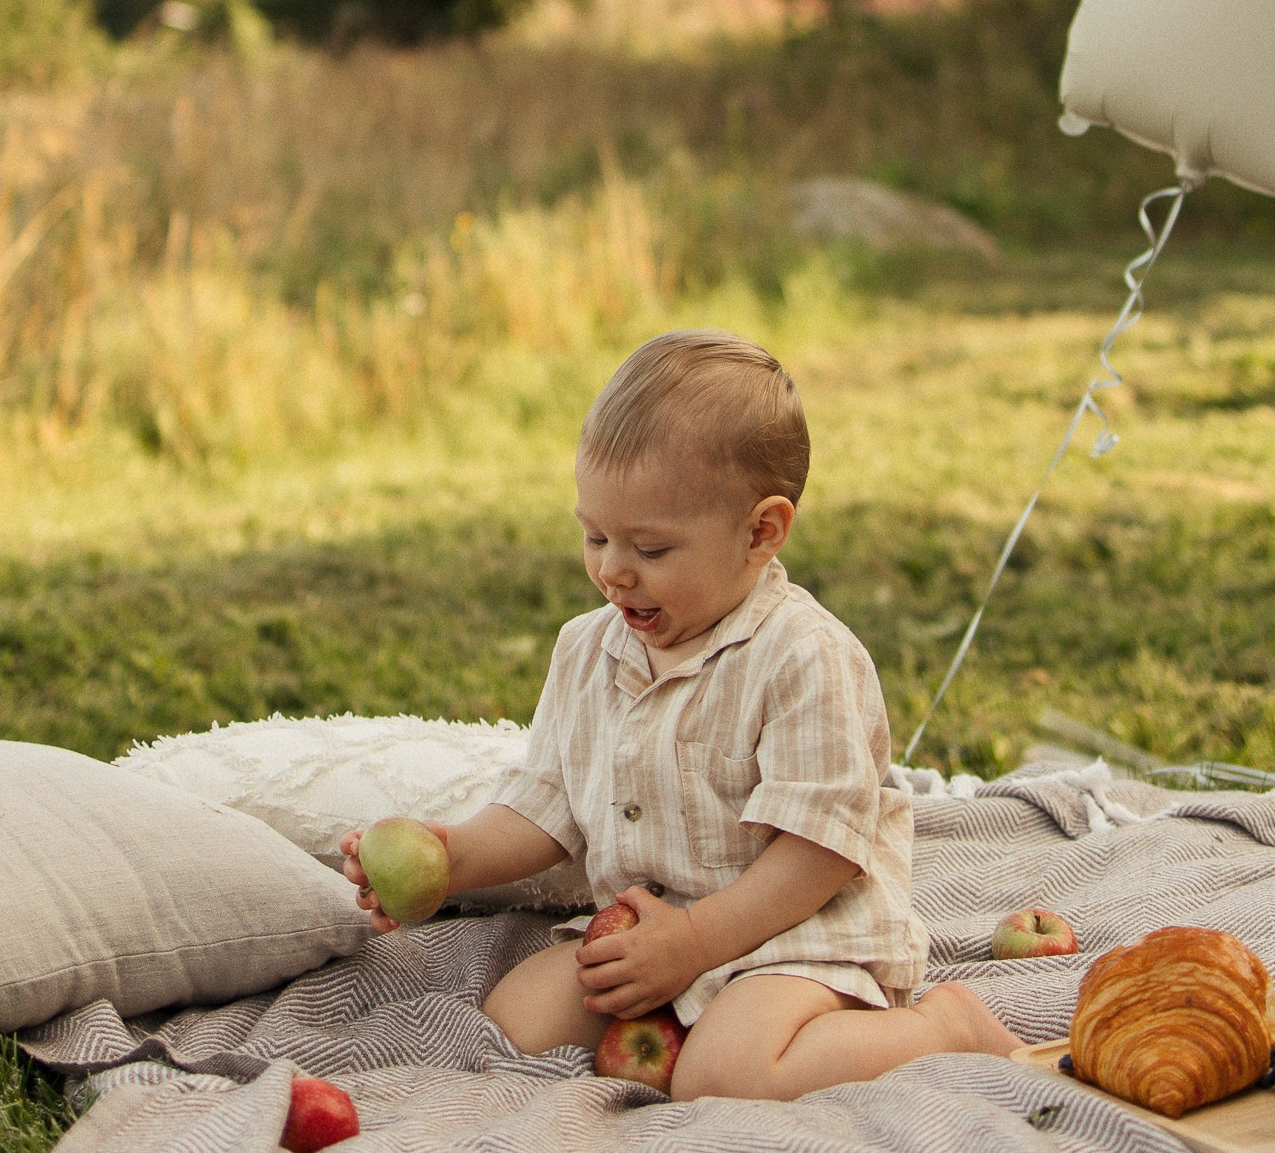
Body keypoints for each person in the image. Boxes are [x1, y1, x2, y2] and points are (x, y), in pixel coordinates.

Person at [341, 327, 1018, 1101]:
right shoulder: (586, 651)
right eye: (595, 535)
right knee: (519, 1020)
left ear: (760, 532)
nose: (612, 571)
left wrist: (697, 942)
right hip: (654, 933)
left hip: (793, 932)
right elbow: (547, 803)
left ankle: (944, 1028)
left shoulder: (804, 657)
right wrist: (450, 857)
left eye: (651, 550)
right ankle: (689, 1017)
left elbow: (820, 854)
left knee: (726, 1075)